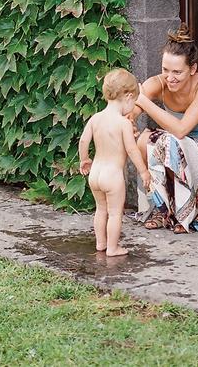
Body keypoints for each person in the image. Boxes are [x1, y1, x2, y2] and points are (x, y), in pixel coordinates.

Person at [132, 25, 198, 233]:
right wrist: (129, 121)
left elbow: (182, 129)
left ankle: (186, 214)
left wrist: (145, 103)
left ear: (192, 69)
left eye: (177, 72)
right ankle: (161, 208)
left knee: (169, 141)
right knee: (144, 140)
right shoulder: (159, 83)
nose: (169, 77)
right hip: (178, 151)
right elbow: (129, 110)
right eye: (165, 70)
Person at [78, 68, 152, 256]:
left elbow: (84, 140)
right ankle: (112, 248)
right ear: (128, 96)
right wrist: (143, 171)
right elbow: (132, 150)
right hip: (113, 176)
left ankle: (100, 243)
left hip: (95, 174)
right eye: (134, 101)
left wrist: (84, 159)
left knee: (100, 210)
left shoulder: (96, 118)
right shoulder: (123, 123)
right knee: (115, 213)